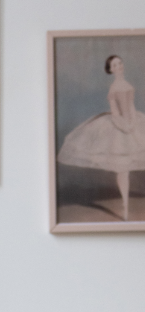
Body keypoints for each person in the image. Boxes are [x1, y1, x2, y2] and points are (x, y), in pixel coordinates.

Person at [57, 55, 145, 220]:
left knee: (127, 166)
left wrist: (132, 122)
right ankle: (125, 206)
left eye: (120, 63)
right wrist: (123, 126)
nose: (119, 67)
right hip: (117, 126)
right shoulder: (113, 87)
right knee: (122, 169)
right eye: (115, 65)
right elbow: (114, 113)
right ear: (110, 70)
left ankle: (125, 206)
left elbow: (131, 106)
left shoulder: (128, 85)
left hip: (132, 122)